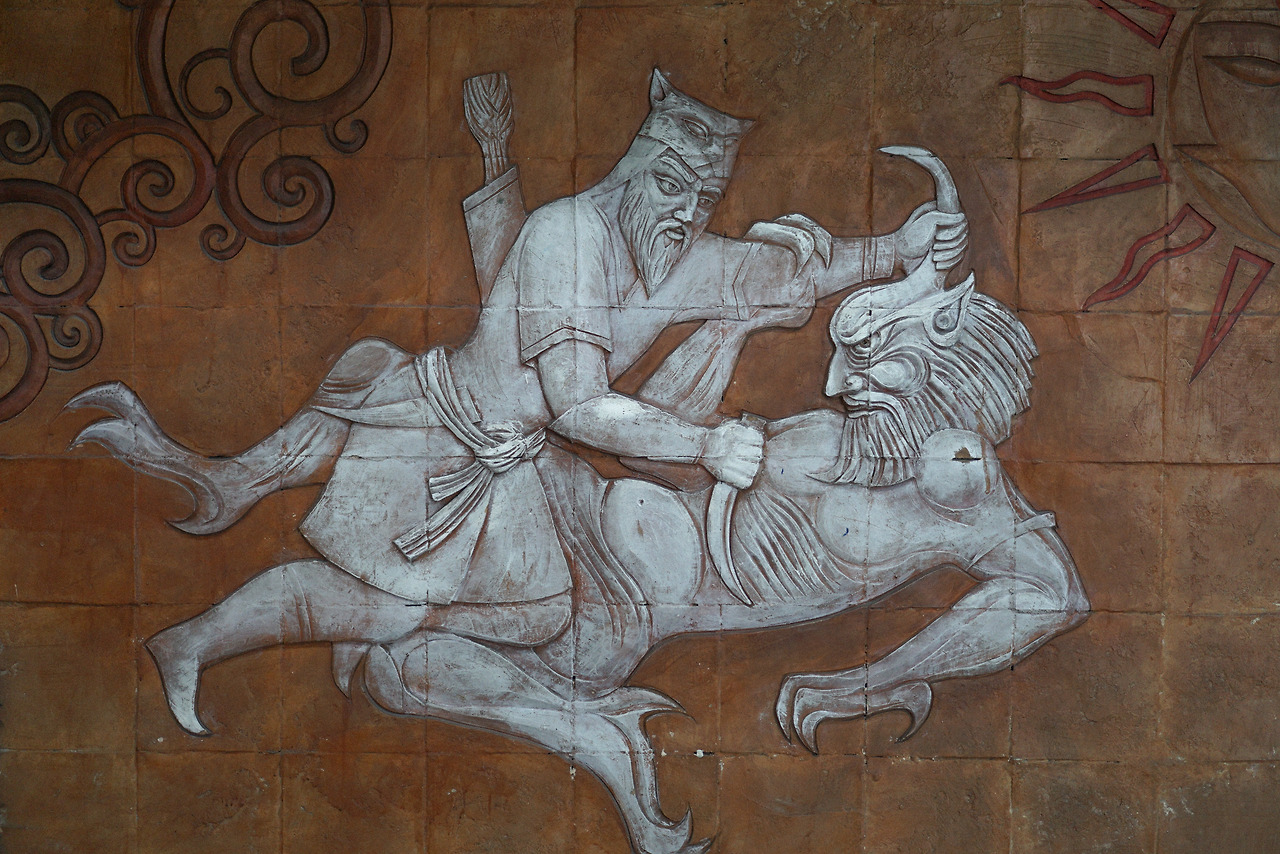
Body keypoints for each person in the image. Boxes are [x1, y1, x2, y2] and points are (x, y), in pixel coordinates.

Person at [71, 69, 967, 736]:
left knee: (539, 614)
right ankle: (194, 643)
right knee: (390, 606)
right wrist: (703, 446)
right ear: (634, 169)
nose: (686, 213)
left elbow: (774, 273)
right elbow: (577, 406)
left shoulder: (674, 255)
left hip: (507, 468)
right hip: (442, 433)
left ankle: (377, 635)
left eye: (702, 198)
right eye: (670, 186)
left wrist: (896, 248)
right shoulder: (568, 234)